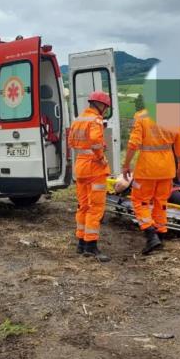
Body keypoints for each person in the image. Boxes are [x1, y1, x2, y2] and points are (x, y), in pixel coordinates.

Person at [122, 108, 180, 254]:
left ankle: (151, 234)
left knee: (140, 201)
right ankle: (160, 234)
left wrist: (126, 165)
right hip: (167, 168)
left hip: (147, 169)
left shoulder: (141, 116)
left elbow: (133, 143)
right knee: (161, 201)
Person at [68, 91, 112, 262]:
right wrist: (100, 156)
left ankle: (81, 243)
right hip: (94, 168)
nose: (105, 110)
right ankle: (91, 247)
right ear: (101, 105)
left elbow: (71, 142)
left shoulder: (79, 120)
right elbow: (95, 141)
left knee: (83, 205)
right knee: (95, 207)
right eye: (106, 107)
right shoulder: (96, 120)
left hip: (81, 166)